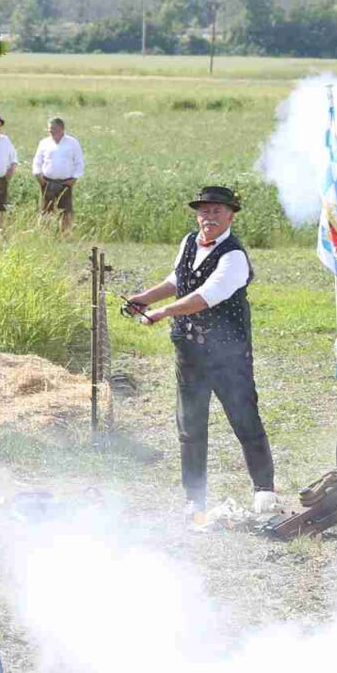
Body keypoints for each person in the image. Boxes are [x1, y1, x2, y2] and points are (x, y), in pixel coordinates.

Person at [123, 186, 279, 519]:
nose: (209, 217)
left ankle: (264, 491)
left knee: (244, 418)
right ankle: (194, 499)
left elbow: (206, 295)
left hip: (228, 353)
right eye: (204, 211)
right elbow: (178, 280)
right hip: (189, 350)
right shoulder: (188, 242)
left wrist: (162, 312)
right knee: (190, 425)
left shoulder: (234, 257)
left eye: (216, 211)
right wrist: (145, 298)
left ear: (230, 216)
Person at [31, 116, 85, 235]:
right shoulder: (44, 143)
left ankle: (65, 236)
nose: (50, 130)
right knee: (46, 210)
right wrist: (38, 176)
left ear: (61, 128)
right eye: (49, 128)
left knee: (66, 211)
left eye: (53, 128)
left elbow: (79, 162)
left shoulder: (72, 143)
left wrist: (75, 179)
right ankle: (45, 235)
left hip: (66, 182)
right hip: (47, 182)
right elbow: (37, 161)